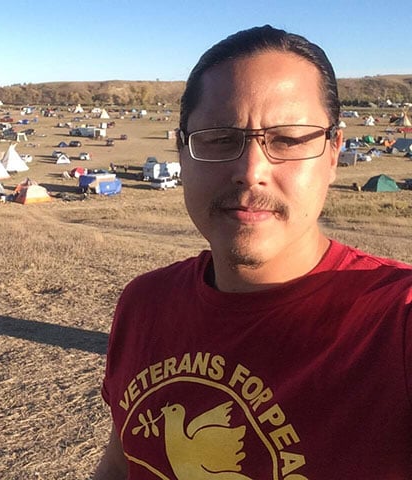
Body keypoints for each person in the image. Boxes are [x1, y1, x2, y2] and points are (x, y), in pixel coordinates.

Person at [93, 25, 412, 479]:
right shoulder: (143, 303)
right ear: (182, 152)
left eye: (288, 139)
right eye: (220, 139)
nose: (250, 171)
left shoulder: (394, 322)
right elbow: (124, 461)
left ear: (334, 153)